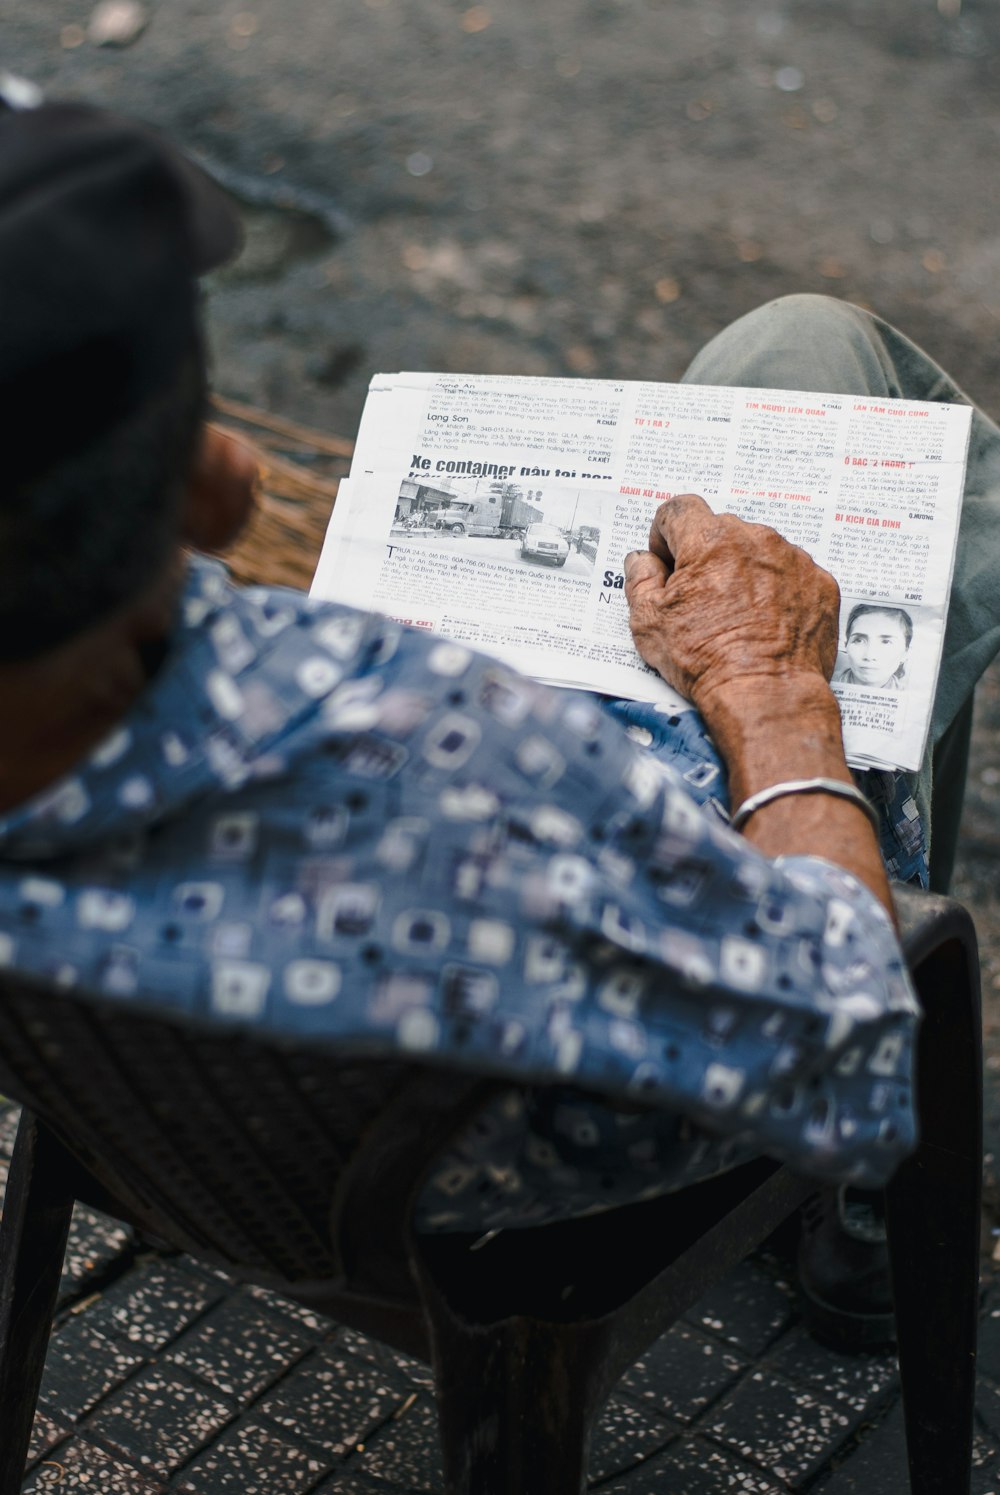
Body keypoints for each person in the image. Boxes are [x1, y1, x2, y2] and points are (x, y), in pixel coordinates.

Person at [0, 89, 986, 1346]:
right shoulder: (429, 767)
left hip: (187, 1145)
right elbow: (838, 1049)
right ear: (213, 487)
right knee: (813, 362)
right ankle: (857, 1226)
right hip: (558, 1176)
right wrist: (773, 694)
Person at [834, 603, 913, 691]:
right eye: (859, 640)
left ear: (906, 653)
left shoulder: (914, 697)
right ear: (846, 645)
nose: (869, 656)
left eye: (886, 642)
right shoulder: (825, 681)